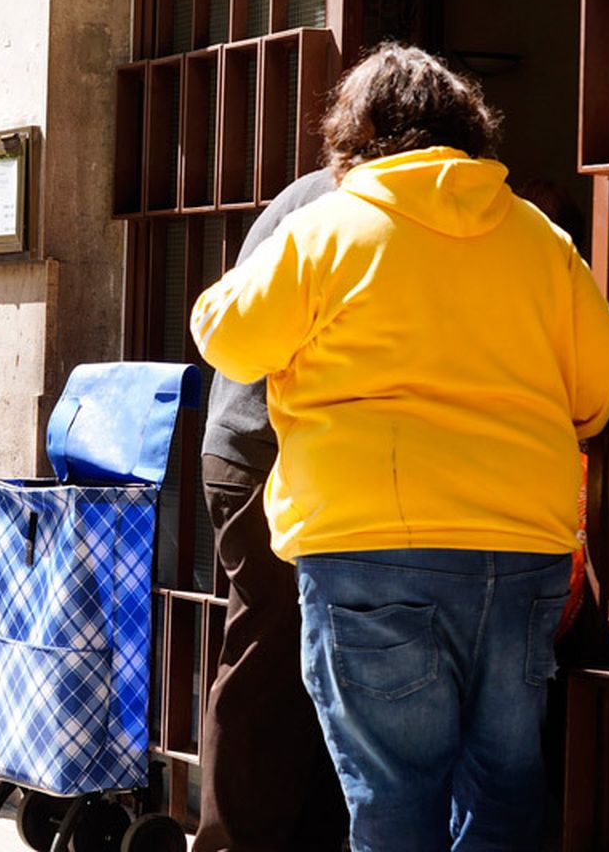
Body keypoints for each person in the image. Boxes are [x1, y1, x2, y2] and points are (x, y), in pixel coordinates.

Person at [190, 43, 609, 850]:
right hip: (519, 548)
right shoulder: (537, 238)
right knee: (503, 788)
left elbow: (226, 339)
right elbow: (605, 382)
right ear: (470, 130)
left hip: (370, 548)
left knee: (395, 794)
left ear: (353, 135)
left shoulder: (328, 225)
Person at [194, 169, 348, 852]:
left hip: (259, 447)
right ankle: (233, 839)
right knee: (268, 653)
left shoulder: (319, 193)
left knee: (295, 657)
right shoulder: (342, 203)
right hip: (262, 451)